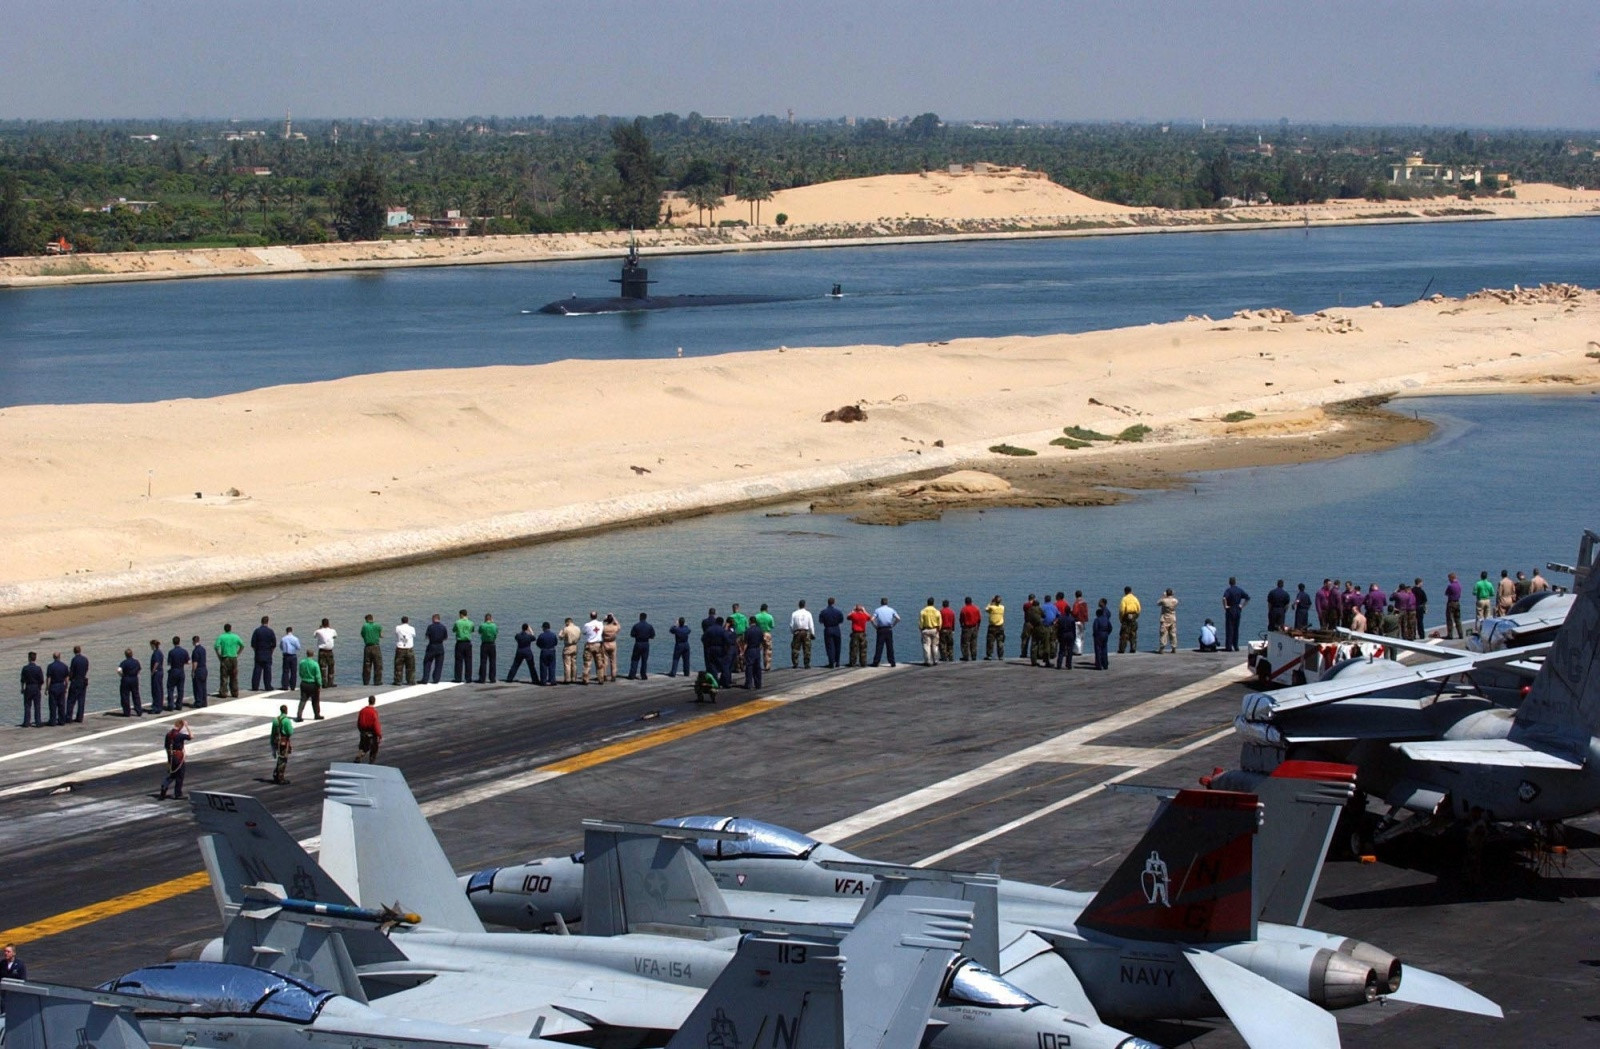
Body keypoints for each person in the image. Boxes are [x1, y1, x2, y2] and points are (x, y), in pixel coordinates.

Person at [158, 718, 191, 799]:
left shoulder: (168, 734)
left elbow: (166, 747)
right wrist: (187, 727)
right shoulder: (179, 735)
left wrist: (169, 759)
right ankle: (178, 794)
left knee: (172, 775)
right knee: (180, 775)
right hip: (178, 757)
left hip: (171, 757)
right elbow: (191, 736)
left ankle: (164, 788)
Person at [214, 623, 244, 699]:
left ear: (224, 629)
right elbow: (242, 645)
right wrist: (238, 653)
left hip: (225, 658)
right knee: (234, 676)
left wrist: (219, 655)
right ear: (231, 628)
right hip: (233, 658)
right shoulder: (235, 636)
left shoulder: (221, 637)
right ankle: (235, 692)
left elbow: (216, 646)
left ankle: (223, 692)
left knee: (224, 676)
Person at [1221, 578, 1250, 652]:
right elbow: (1247, 598)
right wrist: (1242, 606)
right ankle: (1236, 646)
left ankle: (1229, 646)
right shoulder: (1239, 590)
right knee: (1236, 628)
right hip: (1237, 609)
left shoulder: (1228, 590)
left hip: (1230, 609)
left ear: (1229, 583)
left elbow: (1224, 598)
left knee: (1229, 628)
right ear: (1235, 582)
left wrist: (1225, 606)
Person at [249, 616, 277, 691]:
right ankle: (268, 686)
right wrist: (271, 652)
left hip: (258, 653)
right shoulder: (270, 631)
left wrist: (256, 651)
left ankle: (255, 686)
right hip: (268, 653)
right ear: (268, 622)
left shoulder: (257, 631)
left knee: (257, 671)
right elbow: (274, 644)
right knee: (267, 671)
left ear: (261, 622)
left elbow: (252, 644)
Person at [870, 598, 899, 667]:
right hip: (888, 629)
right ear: (887, 602)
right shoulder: (891, 610)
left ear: (881, 602)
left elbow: (872, 619)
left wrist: (875, 626)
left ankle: (876, 662)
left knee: (879, 646)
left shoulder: (877, 610)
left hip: (881, 629)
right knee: (890, 646)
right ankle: (892, 662)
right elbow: (898, 618)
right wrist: (893, 625)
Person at [296, 648, 323, 721]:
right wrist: (319, 684)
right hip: (313, 684)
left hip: (304, 683)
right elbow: (318, 676)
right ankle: (317, 714)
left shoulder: (302, 663)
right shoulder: (315, 664)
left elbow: (300, 673)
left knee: (303, 700)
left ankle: (299, 715)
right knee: (315, 700)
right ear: (313, 654)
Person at [270, 704, 294, 784]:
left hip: (276, 741)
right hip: (284, 742)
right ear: (286, 710)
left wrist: (272, 743)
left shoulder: (275, 720)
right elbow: (290, 732)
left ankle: (276, 775)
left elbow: (273, 733)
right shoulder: (287, 720)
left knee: (280, 759)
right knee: (283, 760)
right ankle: (280, 778)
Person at [818, 598, 845, 669]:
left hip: (828, 629)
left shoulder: (823, 612)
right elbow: (841, 621)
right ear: (834, 602)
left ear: (828, 602)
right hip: (836, 628)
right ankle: (838, 662)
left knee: (830, 646)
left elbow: (821, 621)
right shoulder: (838, 612)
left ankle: (831, 662)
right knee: (837, 646)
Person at [19, 652, 44, 727]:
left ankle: (26, 722)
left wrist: (22, 688)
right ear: (35, 658)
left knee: (27, 705)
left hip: (28, 687)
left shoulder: (25, 668)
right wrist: (39, 687)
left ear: (29, 658)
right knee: (37, 705)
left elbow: (22, 680)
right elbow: (41, 680)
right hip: (36, 687)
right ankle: (38, 722)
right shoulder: (38, 668)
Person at [627, 612, 655, 679]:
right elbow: (652, 636)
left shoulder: (636, 626)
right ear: (646, 618)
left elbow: (632, 635)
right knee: (644, 660)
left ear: (640, 617)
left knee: (635, 659)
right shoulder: (649, 626)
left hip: (638, 643)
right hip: (646, 644)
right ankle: (643, 675)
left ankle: (632, 675)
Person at [423, 614, 449, 683]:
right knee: (439, 664)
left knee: (427, 662)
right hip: (440, 646)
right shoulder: (443, 627)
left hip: (431, 645)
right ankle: (436, 679)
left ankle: (425, 679)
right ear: (439, 619)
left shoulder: (430, 627)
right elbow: (446, 638)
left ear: (433, 619)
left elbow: (427, 637)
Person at [44, 651, 69, 726]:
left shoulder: (50, 666)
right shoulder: (64, 666)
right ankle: (62, 720)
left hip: (53, 686)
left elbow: (49, 678)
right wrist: (66, 687)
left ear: (53, 657)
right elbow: (67, 678)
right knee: (61, 704)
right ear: (59, 657)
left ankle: (53, 721)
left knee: (52, 705)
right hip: (61, 685)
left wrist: (46, 689)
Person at [65, 645, 89, 723]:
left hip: (75, 681)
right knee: (81, 700)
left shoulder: (74, 660)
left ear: (74, 651)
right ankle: (80, 717)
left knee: (71, 700)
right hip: (83, 680)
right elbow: (86, 669)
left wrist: (69, 679)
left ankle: (69, 717)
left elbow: (71, 672)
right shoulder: (85, 659)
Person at [117, 647, 143, 717]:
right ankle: (139, 711)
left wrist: (122, 675)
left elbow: (119, 670)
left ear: (125, 655)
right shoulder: (136, 662)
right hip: (134, 679)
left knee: (125, 696)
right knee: (136, 695)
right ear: (132, 654)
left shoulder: (124, 662)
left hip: (126, 679)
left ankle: (127, 712)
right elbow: (139, 669)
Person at [356, 695, 382, 764]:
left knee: (363, 747)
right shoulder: (374, 712)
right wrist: (379, 734)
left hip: (363, 733)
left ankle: (358, 757)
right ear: (374, 702)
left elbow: (359, 723)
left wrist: (361, 731)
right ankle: (371, 763)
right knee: (374, 749)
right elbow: (376, 724)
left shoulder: (362, 711)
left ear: (368, 701)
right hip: (372, 734)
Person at [360, 614, 384, 686]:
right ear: (372, 618)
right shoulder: (378, 626)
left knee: (367, 665)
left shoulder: (364, 626)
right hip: (376, 647)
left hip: (367, 647)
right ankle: (377, 681)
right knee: (378, 665)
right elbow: (381, 635)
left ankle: (366, 682)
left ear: (366, 619)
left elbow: (362, 635)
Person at [789, 601, 814, 669]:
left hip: (797, 632)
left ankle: (795, 663)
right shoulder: (808, 613)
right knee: (807, 649)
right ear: (805, 605)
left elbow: (791, 625)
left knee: (795, 649)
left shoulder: (794, 613)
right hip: (806, 632)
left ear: (798, 605)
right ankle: (806, 664)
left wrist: (793, 632)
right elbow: (811, 625)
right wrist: (812, 633)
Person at [314, 618, 338, 688]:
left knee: (322, 667)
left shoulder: (318, 631)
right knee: (331, 667)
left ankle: (324, 683)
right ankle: (330, 682)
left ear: (322, 624)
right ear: (328, 624)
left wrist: (320, 628)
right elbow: (335, 636)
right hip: (330, 651)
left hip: (322, 651)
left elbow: (315, 636)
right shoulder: (332, 630)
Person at [166, 636, 189, 710]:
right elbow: (188, 662)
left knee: (170, 688)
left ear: (173, 642)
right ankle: (179, 705)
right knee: (180, 689)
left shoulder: (171, 652)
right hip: (181, 671)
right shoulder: (184, 651)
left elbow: (169, 663)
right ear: (179, 642)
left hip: (173, 671)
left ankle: (170, 705)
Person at [581, 612, 605, 684]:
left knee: (587, 663)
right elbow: (604, 622)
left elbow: (584, 632)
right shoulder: (600, 624)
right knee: (599, 663)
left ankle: (585, 679)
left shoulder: (587, 625)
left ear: (590, 616)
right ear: (597, 616)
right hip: (598, 645)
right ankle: (601, 679)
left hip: (590, 645)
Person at [451, 610, 474, 683]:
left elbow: (454, 630)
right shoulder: (471, 623)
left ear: (461, 615)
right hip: (468, 643)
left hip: (460, 643)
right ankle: (468, 678)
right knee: (468, 661)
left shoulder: (457, 622)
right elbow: (472, 630)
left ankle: (458, 678)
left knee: (458, 661)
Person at [393, 615, 417, 685]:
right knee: (410, 666)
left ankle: (398, 681)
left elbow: (396, 633)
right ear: (408, 621)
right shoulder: (412, 628)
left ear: (401, 621)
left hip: (400, 648)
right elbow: (413, 635)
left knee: (398, 666)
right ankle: (411, 681)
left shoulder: (398, 628)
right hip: (409, 648)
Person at [742, 618, 766, 689]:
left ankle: (749, 684)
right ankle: (758, 684)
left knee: (749, 667)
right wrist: (759, 649)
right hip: (757, 649)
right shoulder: (760, 630)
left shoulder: (748, 631)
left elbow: (746, 643)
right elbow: (762, 642)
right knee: (757, 667)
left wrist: (743, 652)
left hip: (750, 650)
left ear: (750, 622)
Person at [475, 613, 499, 683]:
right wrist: (493, 623)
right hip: (492, 644)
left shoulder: (482, 625)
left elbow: (479, 632)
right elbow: (496, 633)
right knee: (492, 662)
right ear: (491, 618)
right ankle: (492, 678)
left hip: (484, 644)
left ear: (485, 618)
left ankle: (482, 678)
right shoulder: (494, 625)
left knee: (483, 662)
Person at [918, 598, 941, 666]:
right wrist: (938, 629)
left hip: (926, 630)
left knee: (926, 645)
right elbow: (939, 622)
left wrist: (921, 629)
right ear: (933, 603)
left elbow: (921, 622)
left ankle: (927, 661)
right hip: (935, 629)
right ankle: (935, 660)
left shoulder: (923, 611)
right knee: (935, 645)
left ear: (927, 603)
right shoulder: (937, 611)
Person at [1117, 587, 1141, 654]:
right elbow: (1139, 609)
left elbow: (1122, 610)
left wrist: (1121, 618)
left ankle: (1122, 649)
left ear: (1125, 591)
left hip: (1126, 616)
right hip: (1134, 616)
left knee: (1124, 633)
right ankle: (1133, 648)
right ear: (1131, 591)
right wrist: (1135, 617)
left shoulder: (1124, 599)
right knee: (1133, 633)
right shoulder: (1135, 598)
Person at [278, 627, 303, 691]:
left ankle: (285, 686)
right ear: (292, 631)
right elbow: (298, 647)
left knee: (285, 671)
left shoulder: (283, 639)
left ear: (286, 631)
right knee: (293, 672)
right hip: (293, 656)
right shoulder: (295, 639)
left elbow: (281, 647)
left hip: (286, 656)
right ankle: (293, 686)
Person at [958, 597, 981, 661]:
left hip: (966, 628)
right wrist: (978, 627)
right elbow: (979, 619)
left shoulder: (964, 609)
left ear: (965, 602)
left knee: (965, 643)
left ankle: (966, 656)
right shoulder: (976, 609)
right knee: (973, 642)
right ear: (971, 601)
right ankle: (974, 656)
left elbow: (961, 619)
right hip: (974, 627)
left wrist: (962, 626)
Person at [558, 617, 581, 683]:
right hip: (575, 646)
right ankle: (574, 678)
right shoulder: (578, 628)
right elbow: (579, 637)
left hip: (568, 647)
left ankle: (567, 679)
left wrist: (560, 633)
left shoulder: (566, 629)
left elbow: (561, 638)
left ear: (567, 622)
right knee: (574, 663)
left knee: (567, 664)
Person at [1156, 589, 1179, 654]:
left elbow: (1158, 603)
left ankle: (1162, 648)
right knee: (1173, 633)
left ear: (1166, 593)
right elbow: (1176, 601)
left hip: (1165, 619)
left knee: (1163, 633)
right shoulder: (1175, 600)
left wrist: (1163, 596)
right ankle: (1174, 648)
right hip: (1172, 618)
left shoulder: (1164, 601)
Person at [754, 604, 776, 671]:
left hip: (758, 633)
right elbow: (772, 626)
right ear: (766, 609)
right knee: (767, 650)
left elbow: (754, 625)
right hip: (767, 633)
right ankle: (767, 666)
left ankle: (756, 665)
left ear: (760, 609)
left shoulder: (756, 616)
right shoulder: (769, 616)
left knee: (757, 649)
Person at [1092, 600, 1113, 670]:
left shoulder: (1097, 620)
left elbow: (1095, 629)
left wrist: (1095, 635)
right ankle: (1105, 664)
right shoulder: (1106, 619)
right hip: (1105, 634)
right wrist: (1107, 633)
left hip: (1099, 635)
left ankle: (1099, 664)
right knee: (1104, 649)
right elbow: (1110, 627)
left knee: (1098, 650)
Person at [984, 595, 1006, 660]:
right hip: (1000, 627)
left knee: (990, 641)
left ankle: (989, 655)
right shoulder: (1002, 607)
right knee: (1000, 642)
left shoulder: (992, 607)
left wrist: (991, 602)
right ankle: (1001, 656)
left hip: (992, 627)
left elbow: (986, 609)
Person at [601, 613, 621, 681]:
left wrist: (604, 620)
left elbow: (599, 626)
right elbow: (619, 626)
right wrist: (614, 618)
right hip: (613, 643)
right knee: (613, 661)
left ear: (607, 621)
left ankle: (604, 675)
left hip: (605, 643)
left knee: (604, 660)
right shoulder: (615, 627)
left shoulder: (604, 627)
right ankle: (613, 675)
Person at [147, 639, 165, 713]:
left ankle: (156, 707)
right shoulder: (160, 652)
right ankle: (159, 705)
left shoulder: (156, 653)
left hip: (156, 673)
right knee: (160, 689)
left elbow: (156, 663)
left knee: (156, 690)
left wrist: (152, 671)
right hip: (160, 672)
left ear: (153, 645)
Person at [700, 608, 720, 674]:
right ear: (715, 613)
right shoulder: (716, 621)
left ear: (708, 613)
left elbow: (704, 630)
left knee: (706, 656)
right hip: (715, 641)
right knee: (715, 656)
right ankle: (715, 669)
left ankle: (708, 669)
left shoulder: (704, 621)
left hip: (707, 641)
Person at [1445, 572, 1464, 639]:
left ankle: (1450, 635)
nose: (1449, 580)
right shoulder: (1459, 585)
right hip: (1457, 603)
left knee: (1450, 619)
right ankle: (1461, 634)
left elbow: (1446, 593)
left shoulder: (1450, 586)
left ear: (1451, 578)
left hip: (1451, 603)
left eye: (1449, 578)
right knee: (1458, 619)